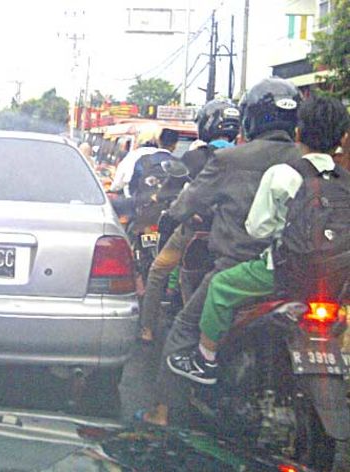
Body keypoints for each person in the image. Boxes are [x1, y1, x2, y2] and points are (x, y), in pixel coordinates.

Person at [139, 78, 303, 426]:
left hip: (236, 266)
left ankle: (162, 414)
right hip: (297, 273)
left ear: (252, 119)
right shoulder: (310, 159)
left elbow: (188, 203)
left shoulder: (230, 159)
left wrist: (171, 218)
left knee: (183, 328)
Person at [167, 96, 350, 385]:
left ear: (300, 133)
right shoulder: (345, 179)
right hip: (336, 281)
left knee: (210, 298)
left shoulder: (280, 173)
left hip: (280, 274)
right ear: (342, 137)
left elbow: (258, 228)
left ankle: (200, 365)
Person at [138, 99, 241, 342]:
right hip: (235, 234)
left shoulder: (195, 157)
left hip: (196, 229)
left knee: (157, 271)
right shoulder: (244, 156)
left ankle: (147, 328)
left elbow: (171, 193)